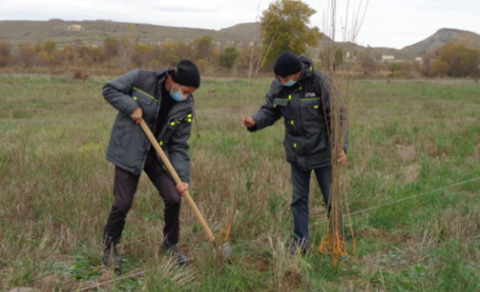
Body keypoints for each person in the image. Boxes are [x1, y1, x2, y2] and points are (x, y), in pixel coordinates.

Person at [241, 52, 349, 255]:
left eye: (284, 78)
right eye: (278, 78)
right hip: (297, 154)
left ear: (296, 73)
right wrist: (255, 121)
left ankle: (337, 239)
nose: (281, 82)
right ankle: (301, 244)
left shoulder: (319, 82)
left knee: (331, 199)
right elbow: (271, 110)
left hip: (324, 153)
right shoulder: (279, 84)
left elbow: (337, 115)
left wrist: (341, 146)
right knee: (299, 199)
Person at [102, 59, 200, 270]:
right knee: (123, 202)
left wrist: (183, 178)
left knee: (174, 197)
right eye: (184, 91)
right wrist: (132, 106)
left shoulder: (186, 105)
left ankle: (170, 245)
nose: (186, 96)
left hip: (157, 154)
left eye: (190, 93)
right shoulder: (142, 79)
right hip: (130, 148)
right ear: (173, 80)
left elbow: (180, 144)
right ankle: (110, 248)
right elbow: (109, 89)